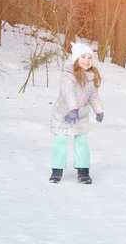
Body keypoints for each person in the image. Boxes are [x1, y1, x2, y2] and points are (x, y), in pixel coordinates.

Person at [49, 42, 104, 184]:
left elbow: (93, 97)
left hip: (81, 115)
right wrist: (73, 109)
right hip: (63, 113)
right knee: (60, 140)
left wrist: (99, 111)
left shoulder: (92, 77)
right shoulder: (68, 75)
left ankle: (83, 170)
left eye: (89, 57)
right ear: (76, 59)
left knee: (81, 142)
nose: (86, 60)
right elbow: (68, 93)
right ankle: (57, 169)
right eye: (83, 57)